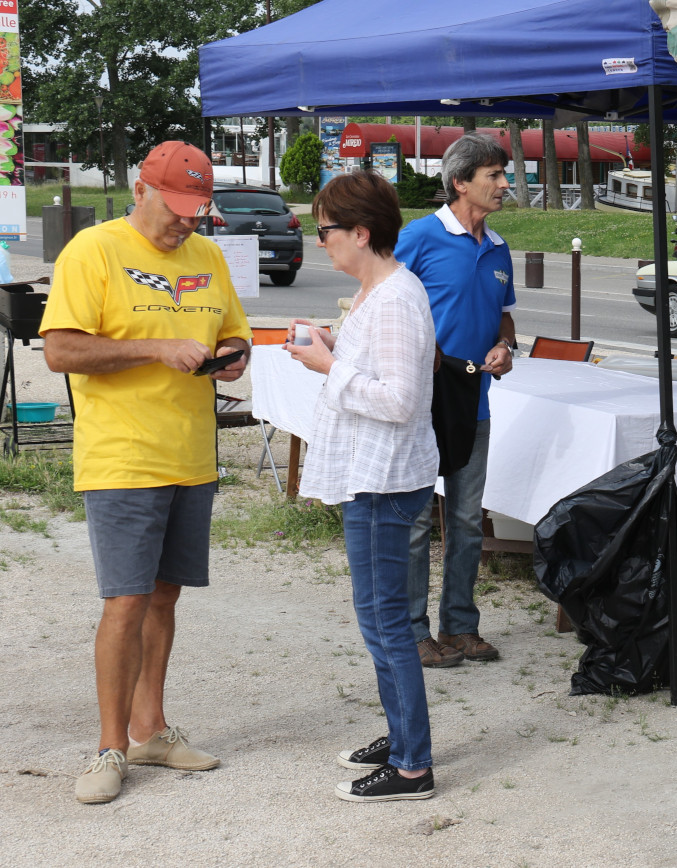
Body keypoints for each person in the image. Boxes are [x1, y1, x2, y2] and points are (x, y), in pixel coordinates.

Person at [40, 141, 252, 804]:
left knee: (165, 595)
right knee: (126, 600)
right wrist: (155, 347)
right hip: (122, 455)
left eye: (197, 210)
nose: (186, 221)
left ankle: (150, 729)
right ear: (141, 188)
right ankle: (108, 746)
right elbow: (60, 350)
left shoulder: (207, 256)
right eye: (176, 207)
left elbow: (236, 331)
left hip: (189, 452)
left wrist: (232, 354)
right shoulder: (92, 251)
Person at [287, 171, 439, 802]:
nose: (320, 241)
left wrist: (329, 364)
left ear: (360, 232)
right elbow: (375, 371)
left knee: (384, 622)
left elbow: (400, 399)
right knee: (381, 618)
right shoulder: (379, 293)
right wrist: (332, 344)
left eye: (325, 230)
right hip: (371, 475)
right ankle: (402, 734)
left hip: (382, 479)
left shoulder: (397, 298)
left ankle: (412, 767)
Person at [396, 132, 516, 668]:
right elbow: (382, 301)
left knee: (467, 520)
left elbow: (503, 314)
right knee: (419, 519)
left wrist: (505, 344)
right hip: (422, 401)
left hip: (476, 401)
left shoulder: (498, 247)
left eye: (503, 174)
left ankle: (461, 627)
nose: (504, 185)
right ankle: (413, 632)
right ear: (459, 182)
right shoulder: (419, 236)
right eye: (493, 176)